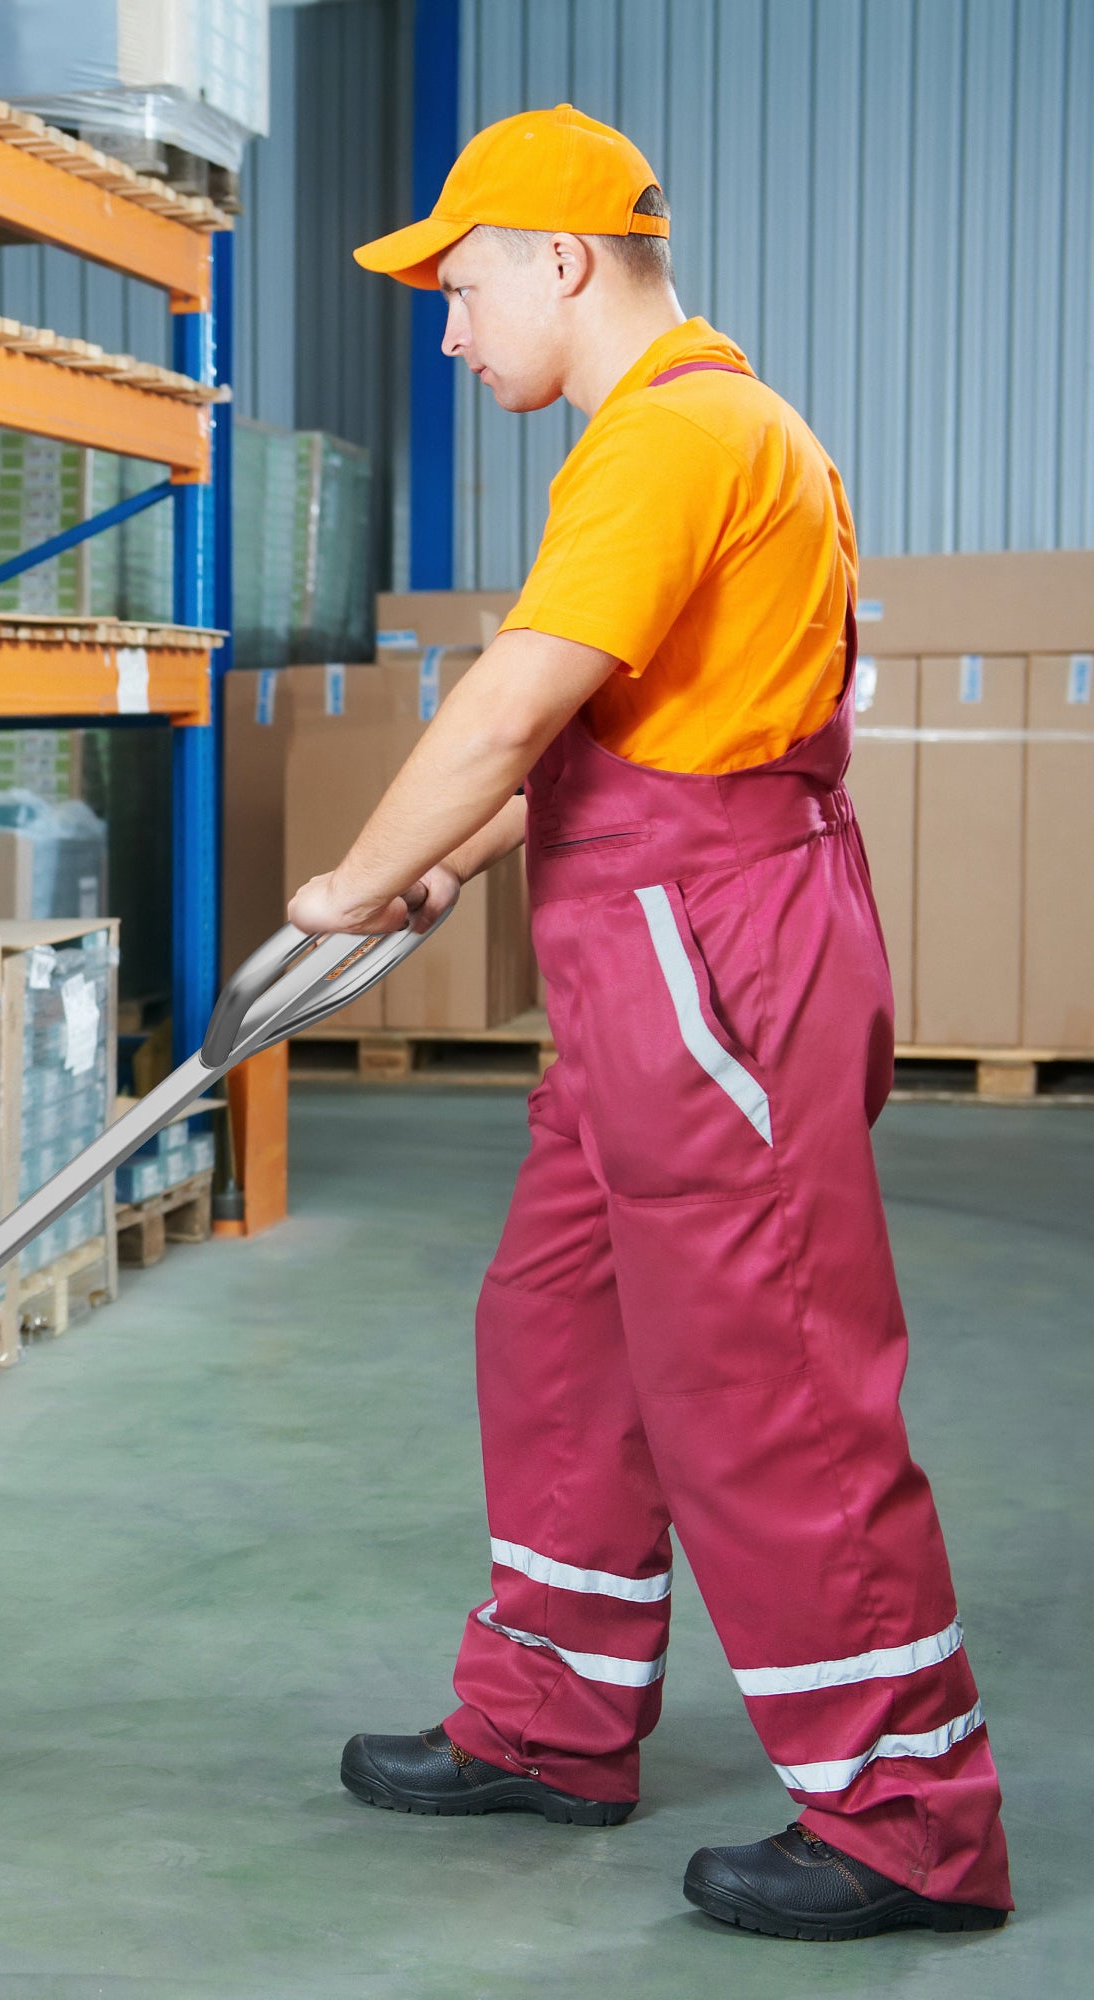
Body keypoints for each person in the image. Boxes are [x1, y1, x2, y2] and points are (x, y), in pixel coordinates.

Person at [288, 104, 1012, 1942]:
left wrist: (353, 880)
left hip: (715, 968)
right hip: (656, 949)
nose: (449, 335)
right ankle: (549, 1718)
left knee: (762, 1376)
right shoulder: (692, 432)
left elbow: (513, 705)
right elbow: (652, 739)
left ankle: (905, 1818)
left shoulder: (673, 439)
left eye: (458, 291)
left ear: (559, 257)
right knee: (563, 1331)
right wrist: (464, 857)